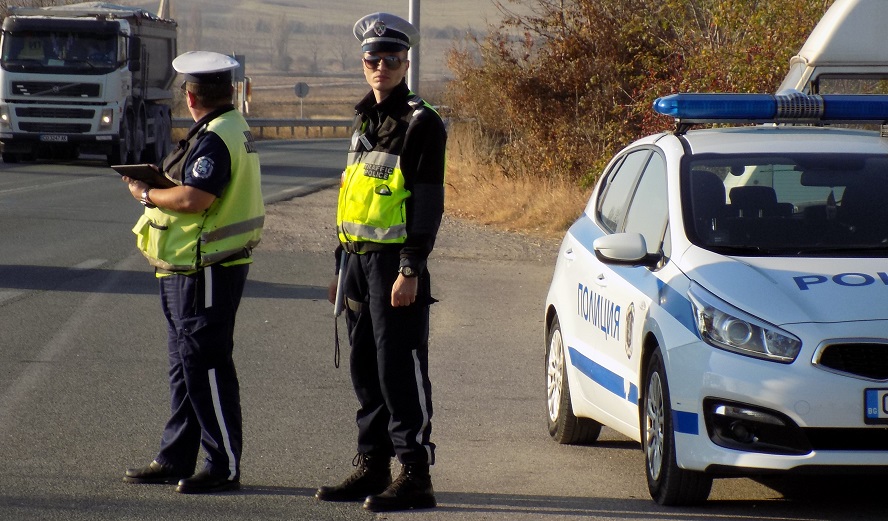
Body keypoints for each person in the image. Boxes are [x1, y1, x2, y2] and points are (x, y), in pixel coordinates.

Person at [315, 12, 446, 513]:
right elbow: (354, 200)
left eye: (391, 59)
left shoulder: (421, 122)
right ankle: (372, 465)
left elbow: (428, 203)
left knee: (399, 368)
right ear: (364, 63)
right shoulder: (364, 118)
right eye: (373, 59)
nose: (381, 68)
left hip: (395, 267)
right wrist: (338, 265)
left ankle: (415, 474)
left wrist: (410, 269)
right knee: (364, 367)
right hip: (357, 262)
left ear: (406, 62)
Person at [120, 51, 264, 494]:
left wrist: (146, 193)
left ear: (190, 95)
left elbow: (195, 199)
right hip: (191, 265)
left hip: (207, 267)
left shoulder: (216, 137)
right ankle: (176, 456)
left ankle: (223, 465)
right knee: (185, 366)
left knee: (206, 366)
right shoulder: (227, 128)